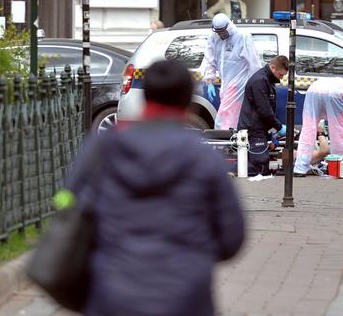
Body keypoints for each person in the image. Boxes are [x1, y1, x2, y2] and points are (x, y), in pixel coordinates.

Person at [65, 60, 245, 316]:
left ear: (146, 95)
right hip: (187, 297)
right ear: (187, 102)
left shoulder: (104, 149)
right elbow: (232, 238)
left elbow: (69, 205)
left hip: (112, 291)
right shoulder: (204, 159)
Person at [294, 78, 343, 177]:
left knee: (308, 128)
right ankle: (340, 166)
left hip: (313, 89)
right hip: (336, 93)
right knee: (338, 129)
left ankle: (300, 167)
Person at [203, 13, 262, 130]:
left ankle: (222, 143)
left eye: (222, 31)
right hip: (226, 84)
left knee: (224, 117)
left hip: (239, 83)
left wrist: (255, 85)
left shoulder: (242, 37)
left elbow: (254, 63)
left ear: (228, 26)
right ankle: (232, 144)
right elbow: (210, 59)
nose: (220, 34)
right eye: (218, 32)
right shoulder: (214, 37)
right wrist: (210, 80)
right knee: (234, 118)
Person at [237, 55, 289, 176]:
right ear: (273, 67)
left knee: (262, 166)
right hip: (253, 129)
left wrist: (272, 132)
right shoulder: (260, 81)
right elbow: (264, 110)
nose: (281, 79)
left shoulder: (267, 80)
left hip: (259, 128)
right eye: (280, 75)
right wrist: (279, 127)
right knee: (259, 168)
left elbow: (267, 110)